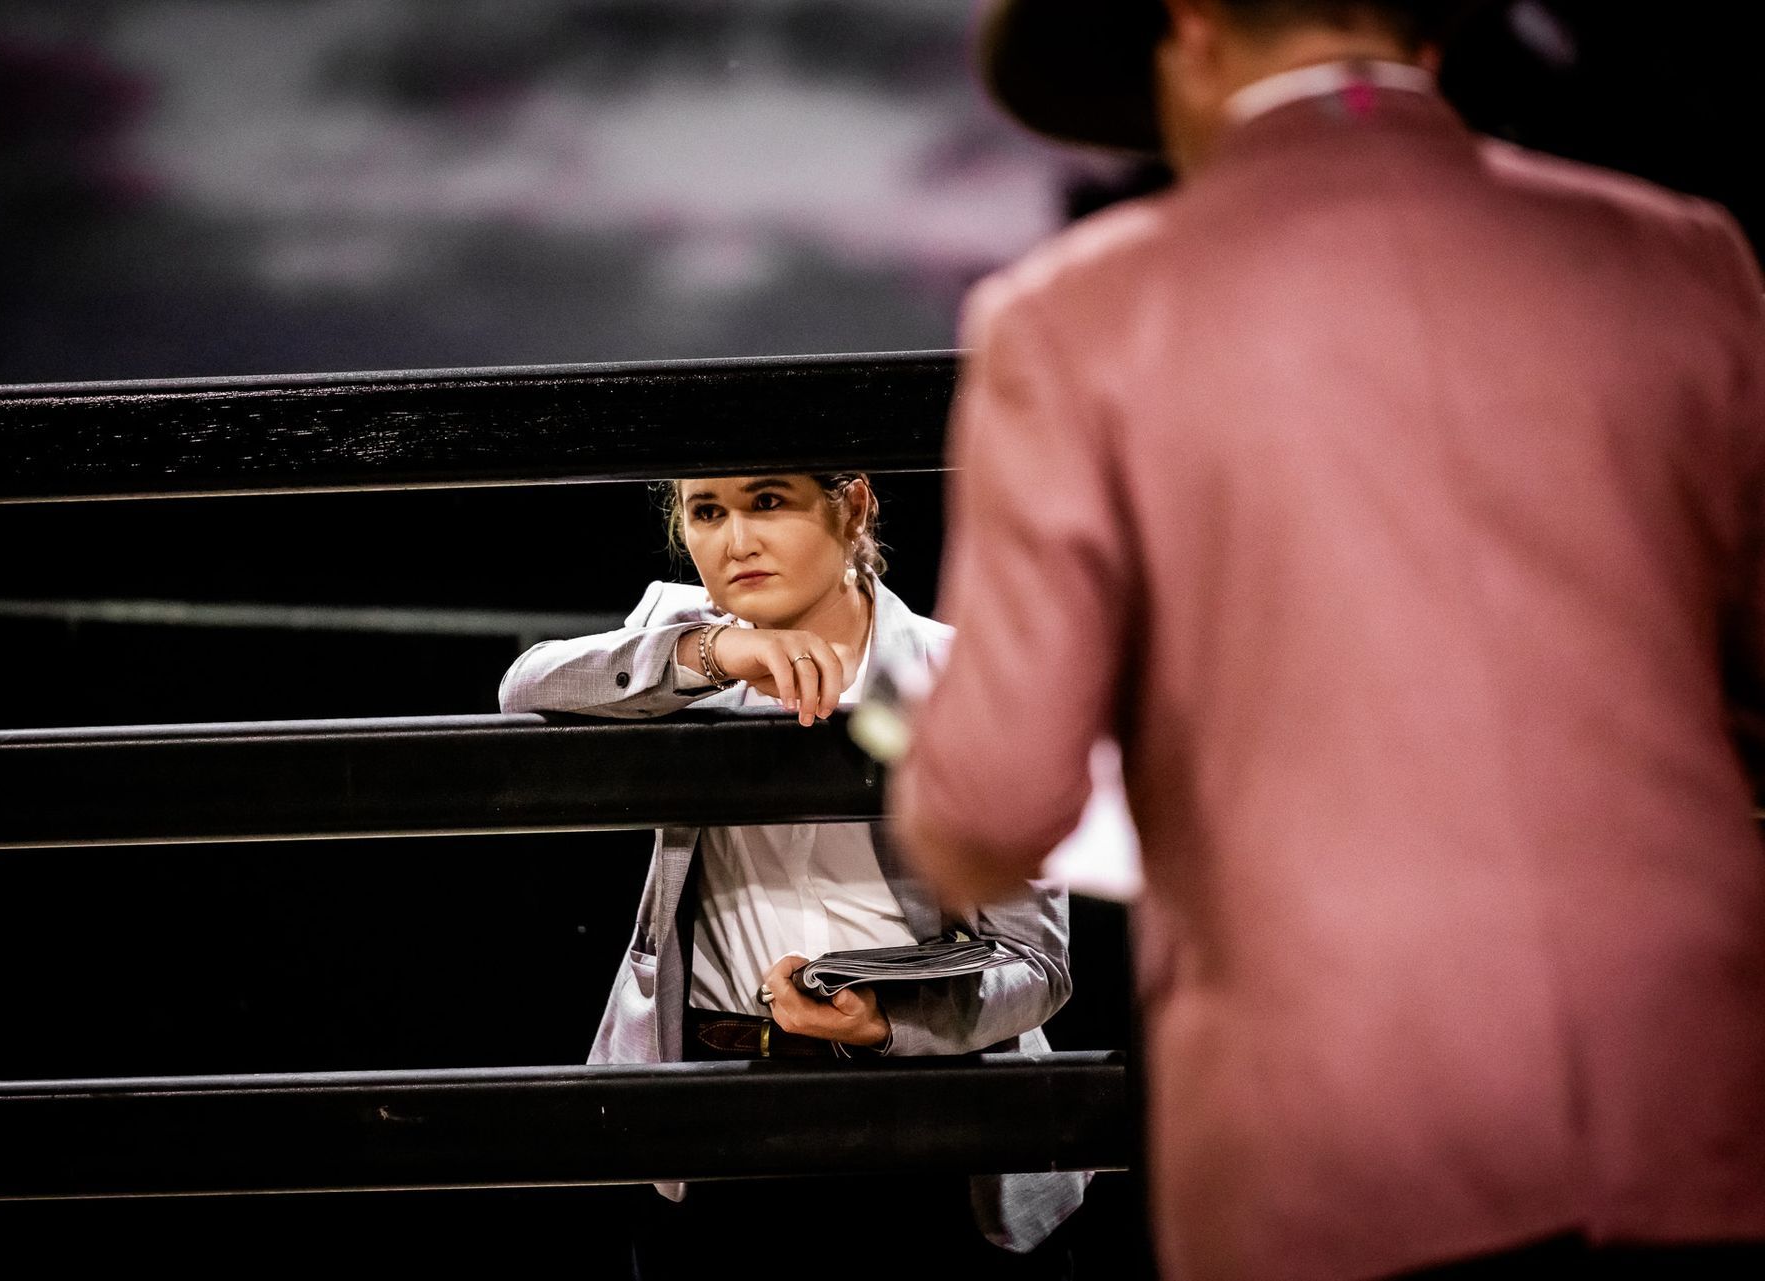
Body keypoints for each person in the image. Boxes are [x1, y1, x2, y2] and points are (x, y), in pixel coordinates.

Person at [892, 2, 1765, 1280]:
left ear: (1186, 32)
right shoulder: (1680, 258)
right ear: (1431, 37)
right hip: (1692, 1086)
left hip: (1339, 1126)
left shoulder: (1074, 316)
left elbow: (997, 795)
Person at [497, 471, 1087, 1277]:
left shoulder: (971, 673)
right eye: (707, 512)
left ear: (854, 507)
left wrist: (886, 1021)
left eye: (767, 501)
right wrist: (715, 651)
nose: (736, 540)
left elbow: (1040, 968)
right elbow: (523, 685)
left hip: (929, 1122)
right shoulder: (676, 637)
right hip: (710, 1113)